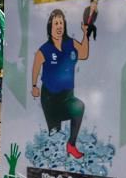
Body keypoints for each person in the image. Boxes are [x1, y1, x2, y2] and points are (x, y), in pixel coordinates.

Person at [31, 9, 90, 159]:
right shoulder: (44, 49)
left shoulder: (71, 43)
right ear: (50, 27)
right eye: (56, 23)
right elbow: (36, 65)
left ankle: (71, 145)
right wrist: (34, 86)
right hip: (50, 98)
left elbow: (83, 54)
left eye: (61, 23)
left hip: (67, 96)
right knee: (54, 134)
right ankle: (53, 162)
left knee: (79, 107)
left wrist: (85, 34)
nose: (59, 26)